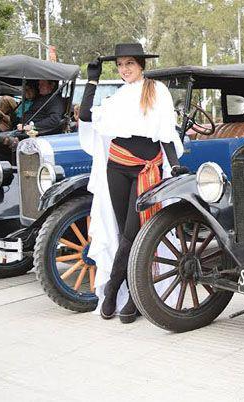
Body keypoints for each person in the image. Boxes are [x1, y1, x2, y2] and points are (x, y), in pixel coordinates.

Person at [78, 43, 188, 324]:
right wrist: (92, 79)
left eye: (129, 64)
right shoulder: (116, 97)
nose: (124, 69)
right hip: (116, 167)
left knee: (132, 233)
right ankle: (128, 293)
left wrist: (174, 164)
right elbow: (86, 115)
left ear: (141, 65)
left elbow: (166, 132)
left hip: (146, 170)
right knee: (122, 231)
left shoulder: (157, 91)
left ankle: (117, 291)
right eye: (120, 65)